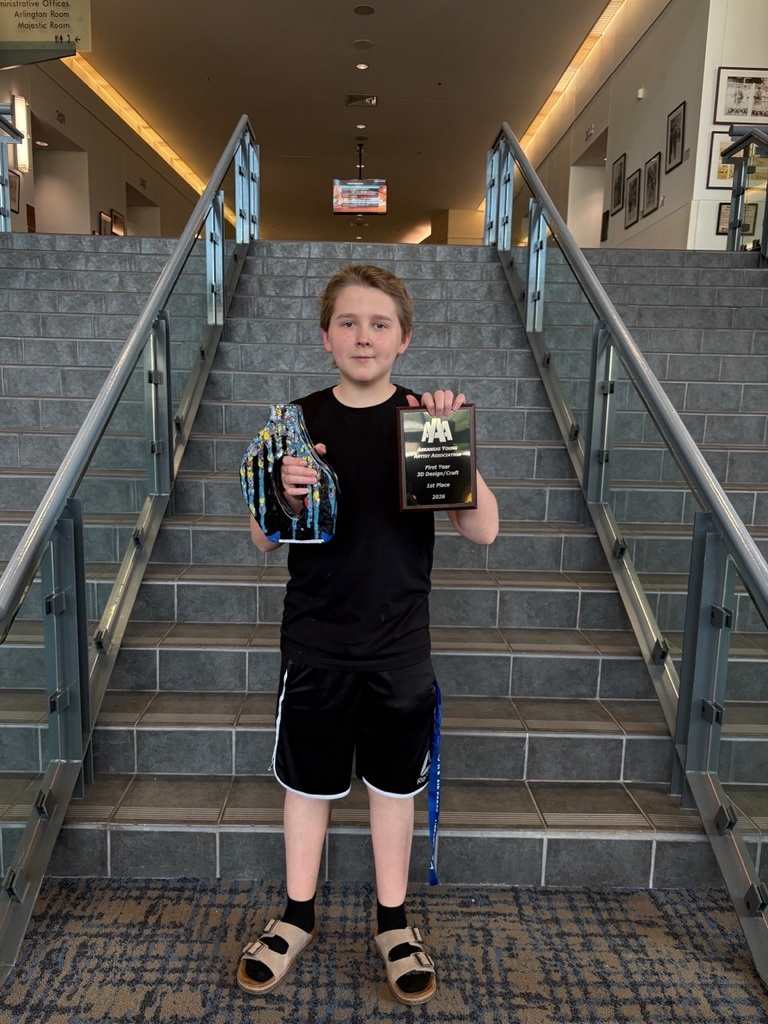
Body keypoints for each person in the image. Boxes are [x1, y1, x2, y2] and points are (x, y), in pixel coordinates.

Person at [238, 264, 499, 1004]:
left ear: (403, 338)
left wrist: (457, 446)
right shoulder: (295, 421)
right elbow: (262, 538)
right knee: (308, 788)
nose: (363, 336)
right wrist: (282, 495)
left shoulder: (427, 420)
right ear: (326, 338)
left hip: (399, 647)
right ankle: (297, 916)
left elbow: (483, 531)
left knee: (393, 789)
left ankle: (392, 921)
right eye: (348, 323)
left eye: (379, 324)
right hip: (316, 642)